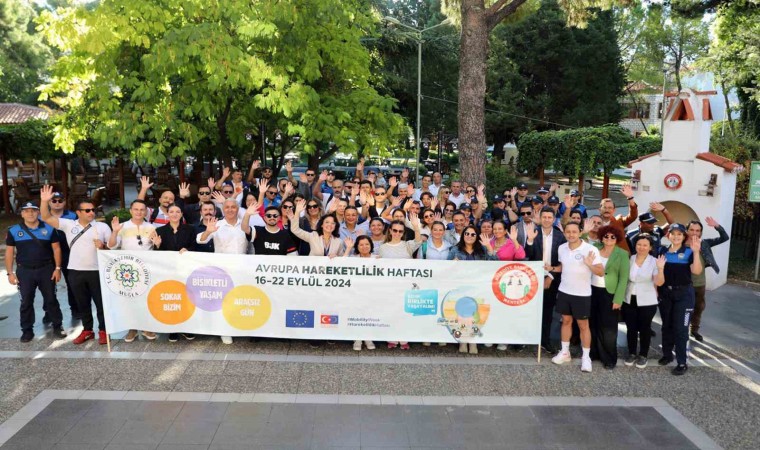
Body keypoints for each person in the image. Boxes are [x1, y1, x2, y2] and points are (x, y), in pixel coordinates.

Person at [40, 185, 112, 345]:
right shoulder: (69, 224)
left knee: (101, 303)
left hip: (97, 270)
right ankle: (87, 330)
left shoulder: (102, 227)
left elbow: (112, 249)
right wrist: (44, 201)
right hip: (75, 270)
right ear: (78, 212)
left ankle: (103, 330)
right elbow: (46, 217)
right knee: (82, 303)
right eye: (87, 210)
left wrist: (103, 246)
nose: (91, 213)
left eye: (93, 210)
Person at [197, 198, 256, 344]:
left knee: (239, 300)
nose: (230, 209)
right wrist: (207, 232)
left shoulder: (244, 225)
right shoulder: (216, 224)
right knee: (223, 302)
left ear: (238, 209)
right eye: (227, 207)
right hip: (221, 271)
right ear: (223, 209)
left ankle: (238, 326)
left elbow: (252, 243)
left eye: (233, 207)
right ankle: (224, 331)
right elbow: (201, 240)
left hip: (241, 269)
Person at [5, 202, 66, 342]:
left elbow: (57, 249)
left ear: (38, 212)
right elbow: (9, 252)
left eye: (33, 210)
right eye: (26, 211)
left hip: (46, 270)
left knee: (51, 299)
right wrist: (10, 273)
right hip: (24, 271)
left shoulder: (49, 228)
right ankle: (27, 330)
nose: (30, 213)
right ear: (22, 214)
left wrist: (57, 268)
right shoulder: (14, 230)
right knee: (26, 301)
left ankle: (58, 326)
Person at [550, 221, 604, 373]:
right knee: (566, 321)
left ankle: (586, 357)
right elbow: (563, 267)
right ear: (564, 233)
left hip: (582, 294)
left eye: (574, 232)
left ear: (580, 232)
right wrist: (551, 268)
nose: (571, 234)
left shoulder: (590, 249)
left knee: (583, 325)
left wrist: (589, 264)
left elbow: (600, 272)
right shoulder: (562, 248)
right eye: (568, 232)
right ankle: (565, 352)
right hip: (564, 291)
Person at [108, 199, 158, 342]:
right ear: (131, 211)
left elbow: (156, 246)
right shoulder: (122, 226)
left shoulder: (151, 227)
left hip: (146, 270)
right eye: (136, 209)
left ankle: (146, 327)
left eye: (142, 210)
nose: (139, 212)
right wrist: (114, 232)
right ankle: (132, 328)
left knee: (146, 299)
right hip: (128, 270)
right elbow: (111, 246)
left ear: (146, 212)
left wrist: (158, 244)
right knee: (130, 300)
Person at [657, 224, 702, 376]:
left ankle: (682, 362)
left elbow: (696, 271)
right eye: (673, 233)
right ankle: (667, 354)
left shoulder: (689, 251)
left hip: (684, 295)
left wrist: (696, 252)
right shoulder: (662, 251)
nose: (676, 237)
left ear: (684, 237)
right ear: (668, 235)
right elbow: (658, 276)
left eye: (679, 234)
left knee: (681, 329)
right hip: (666, 294)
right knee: (667, 326)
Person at [448, 225, 496, 355]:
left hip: (478, 288)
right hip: (460, 288)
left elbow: (495, 263)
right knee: (462, 315)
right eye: (467, 234)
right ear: (463, 235)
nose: (469, 236)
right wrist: (452, 263)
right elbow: (446, 268)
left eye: (473, 234)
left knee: (475, 315)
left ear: (477, 236)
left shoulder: (483, 250)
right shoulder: (455, 250)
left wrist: (489, 247)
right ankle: (463, 340)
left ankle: (473, 340)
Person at [152, 204, 197, 342]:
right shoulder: (160, 230)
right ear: (167, 214)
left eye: (178, 211)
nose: (175, 214)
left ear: (182, 214)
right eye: (171, 211)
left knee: (185, 298)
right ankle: (173, 329)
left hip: (185, 270)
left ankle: (186, 327)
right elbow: (157, 255)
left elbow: (195, 246)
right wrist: (157, 245)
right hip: (168, 271)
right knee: (172, 299)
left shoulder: (190, 229)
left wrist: (188, 250)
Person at [525, 207, 565, 353]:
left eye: (549, 217)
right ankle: (527, 339)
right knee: (531, 310)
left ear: (553, 219)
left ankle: (545, 341)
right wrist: (530, 240)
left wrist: (551, 277)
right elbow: (527, 255)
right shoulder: (533, 232)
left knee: (547, 312)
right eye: (544, 217)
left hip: (552, 278)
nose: (547, 220)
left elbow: (563, 260)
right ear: (540, 218)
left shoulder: (560, 236)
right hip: (534, 278)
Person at [379, 215, 423, 350]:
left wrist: (415, 227)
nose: (397, 233)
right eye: (395, 230)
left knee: (405, 313)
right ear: (390, 231)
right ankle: (391, 338)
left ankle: (404, 339)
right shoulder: (383, 248)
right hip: (389, 286)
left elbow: (418, 241)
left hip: (406, 285)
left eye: (400, 231)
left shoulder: (407, 245)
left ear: (403, 233)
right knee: (391, 312)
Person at [589, 225, 630, 370]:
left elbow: (624, 278)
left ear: (617, 238)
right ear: (602, 237)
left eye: (613, 236)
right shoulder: (594, 248)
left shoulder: (622, 254)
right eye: (606, 236)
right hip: (592, 290)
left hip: (610, 293)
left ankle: (609, 358)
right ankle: (594, 353)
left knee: (609, 328)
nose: (609, 238)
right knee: (593, 323)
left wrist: (618, 299)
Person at [623, 234, 665, 369]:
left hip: (647, 299)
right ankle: (631, 353)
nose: (641, 247)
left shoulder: (655, 261)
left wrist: (660, 268)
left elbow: (659, 282)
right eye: (639, 244)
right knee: (631, 327)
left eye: (645, 245)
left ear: (650, 247)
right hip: (629, 297)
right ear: (635, 245)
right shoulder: (630, 258)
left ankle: (643, 354)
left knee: (645, 328)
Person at [686, 217, 729, 342]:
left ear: (701, 232)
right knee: (684, 309)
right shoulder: (681, 244)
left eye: (698, 230)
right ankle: (682, 330)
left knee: (698, 307)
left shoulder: (704, 243)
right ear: (687, 230)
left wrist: (717, 226)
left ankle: (694, 330)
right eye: (692, 230)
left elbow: (724, 237)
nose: (695, 233)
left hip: (700, 283)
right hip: (685, 284)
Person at [44, 191, 80, 320]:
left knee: (72, 283)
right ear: (49, 202)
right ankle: (49, 312)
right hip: (48, 254)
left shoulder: (73, 216)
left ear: (64, 202)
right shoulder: (42, 216)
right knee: (48, 285)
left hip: (69, 253)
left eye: (60, 200)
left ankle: (75, 310)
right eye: (54, 201)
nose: (57, 203)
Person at [342, 236, 377, 351]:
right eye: (361, 244)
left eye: (367, 244)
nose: (364, 247)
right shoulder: (353, 258)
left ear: (371, 245)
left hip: (372, 293)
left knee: (370, 315)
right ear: (357, 247)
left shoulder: (377, 258)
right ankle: (357, 339)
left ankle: (368, 338)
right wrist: (348, 248)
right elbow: (342, 264)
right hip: (356, 292)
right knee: (357, 315)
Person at [598, 184, 638, 252]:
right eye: (604, 207)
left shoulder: (619, 221)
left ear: (614, 210)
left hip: (621, 255)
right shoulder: (594, 223)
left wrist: (630, 198)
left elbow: (633, 216)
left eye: (610, 208)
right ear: (599, 210)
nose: (607, 210)